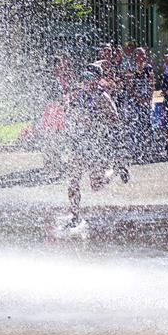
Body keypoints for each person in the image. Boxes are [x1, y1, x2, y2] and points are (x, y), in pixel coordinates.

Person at [64, 63, 127, 228]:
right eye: (84, 77)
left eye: (90, 78)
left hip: (95, 143)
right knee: (73, 180)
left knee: (96, 185)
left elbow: (115, 119)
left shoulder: (103, 97)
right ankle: (75, 215)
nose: (86, 81)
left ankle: (117, 170)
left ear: (98, 79)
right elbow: (70, 113)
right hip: (78, 141)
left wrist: (96, 118)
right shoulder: (78, 94)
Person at [123, 47, 155, 159]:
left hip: (146, 100)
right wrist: (137, 98)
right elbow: (129, 86)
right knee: (134, 124)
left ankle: (147, 149)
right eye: (140, 54)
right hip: (134, 101)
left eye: (144, 54)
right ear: (135, 55)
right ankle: (135, 149)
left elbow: (152, 83)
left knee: (146, 124)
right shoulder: (131, 68)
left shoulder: (148, 68)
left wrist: (148, 98)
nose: (143, 56)